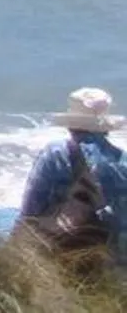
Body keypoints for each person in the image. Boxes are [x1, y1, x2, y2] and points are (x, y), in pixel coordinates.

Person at [18, 88, 127, 258]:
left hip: (59, 255)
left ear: (71, 123)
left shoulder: (54, 154)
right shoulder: (122, 160)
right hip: (107, 259)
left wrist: (13, 248)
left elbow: (30, 211)